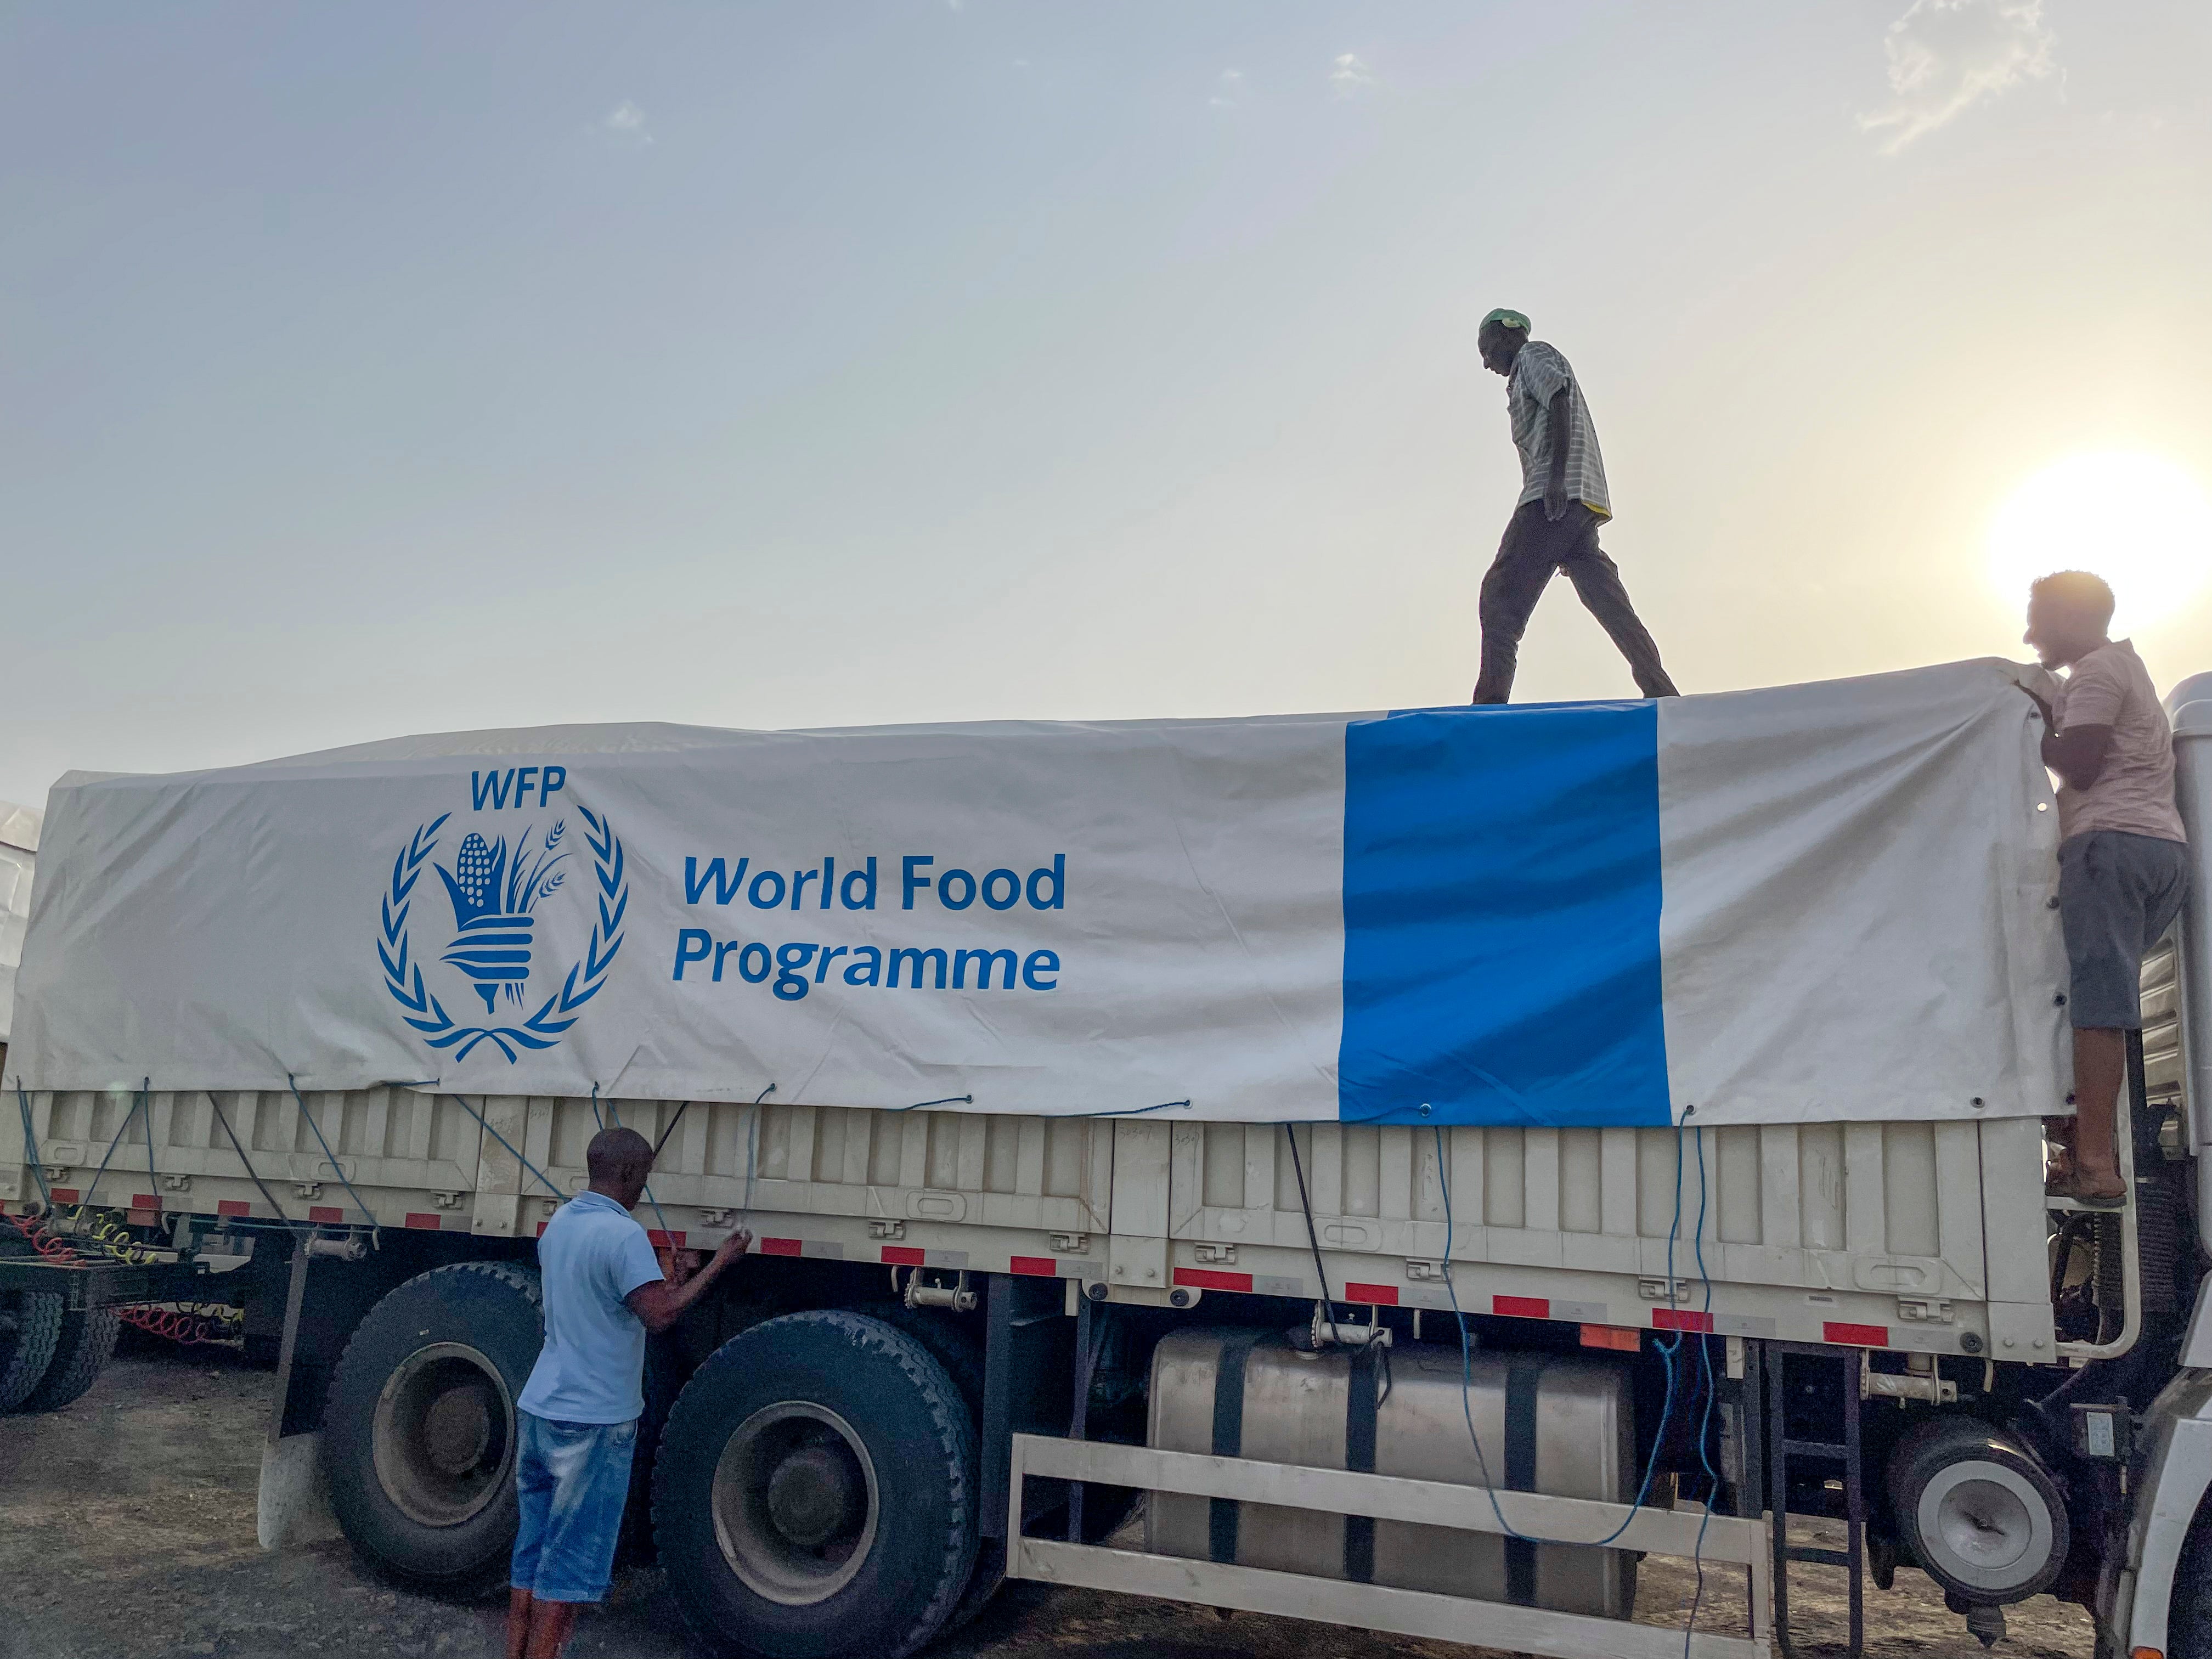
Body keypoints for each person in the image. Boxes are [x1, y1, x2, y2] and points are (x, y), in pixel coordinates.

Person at [506, 1126, 751, 1659]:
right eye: (642, 1177)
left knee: (531, 1560)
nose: (644, 1189)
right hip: (590, 1424)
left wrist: (664, 1277)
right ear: (625, 1173)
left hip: (542, 1409)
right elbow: (660, 1316)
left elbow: (604, 1298)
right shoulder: (623, 1238)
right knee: (566, 1580)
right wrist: (717, 1265)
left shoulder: (562, 1225)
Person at [2021, 571, 2190, 1207]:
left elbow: (2083, 766)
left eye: (2040, 618)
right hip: (2159, 851)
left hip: (2109, 845)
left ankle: (2095, 1161)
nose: (2030, 634)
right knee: (2092, 991)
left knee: (2096, 998)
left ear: (2073, 616)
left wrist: (2024, 721)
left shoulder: (2095, 670)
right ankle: (2079, 1135)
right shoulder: (2129, 669)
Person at [1471, 308, 1678, 704]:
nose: (1486, 362)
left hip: (1555, 494)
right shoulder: (1521, 376)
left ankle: (1487, 709)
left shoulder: (1532, 357)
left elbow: (1559, 399)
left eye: (1487, 348)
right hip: (1577, 503)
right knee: (1607, 601)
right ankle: (1660, 689)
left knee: (1499, 597)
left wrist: (1555, 481)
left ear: (1508, 335)